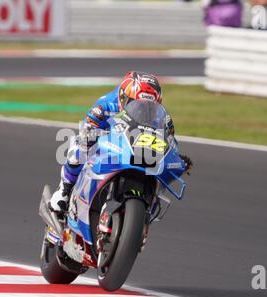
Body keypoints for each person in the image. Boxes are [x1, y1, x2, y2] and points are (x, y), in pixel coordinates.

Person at [49, 71, 193, 214]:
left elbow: (169, 140)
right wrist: (93, 135)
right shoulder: (103, 107)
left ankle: (146, 205)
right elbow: (86, 130)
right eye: (136, 103)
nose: (144, 108)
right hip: (110, 146)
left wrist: (176, 158)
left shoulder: (162, 117)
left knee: (160, 168)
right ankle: (64, 190)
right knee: (79, 149)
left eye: (150, 105)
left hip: (138, 150)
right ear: (123, 98)